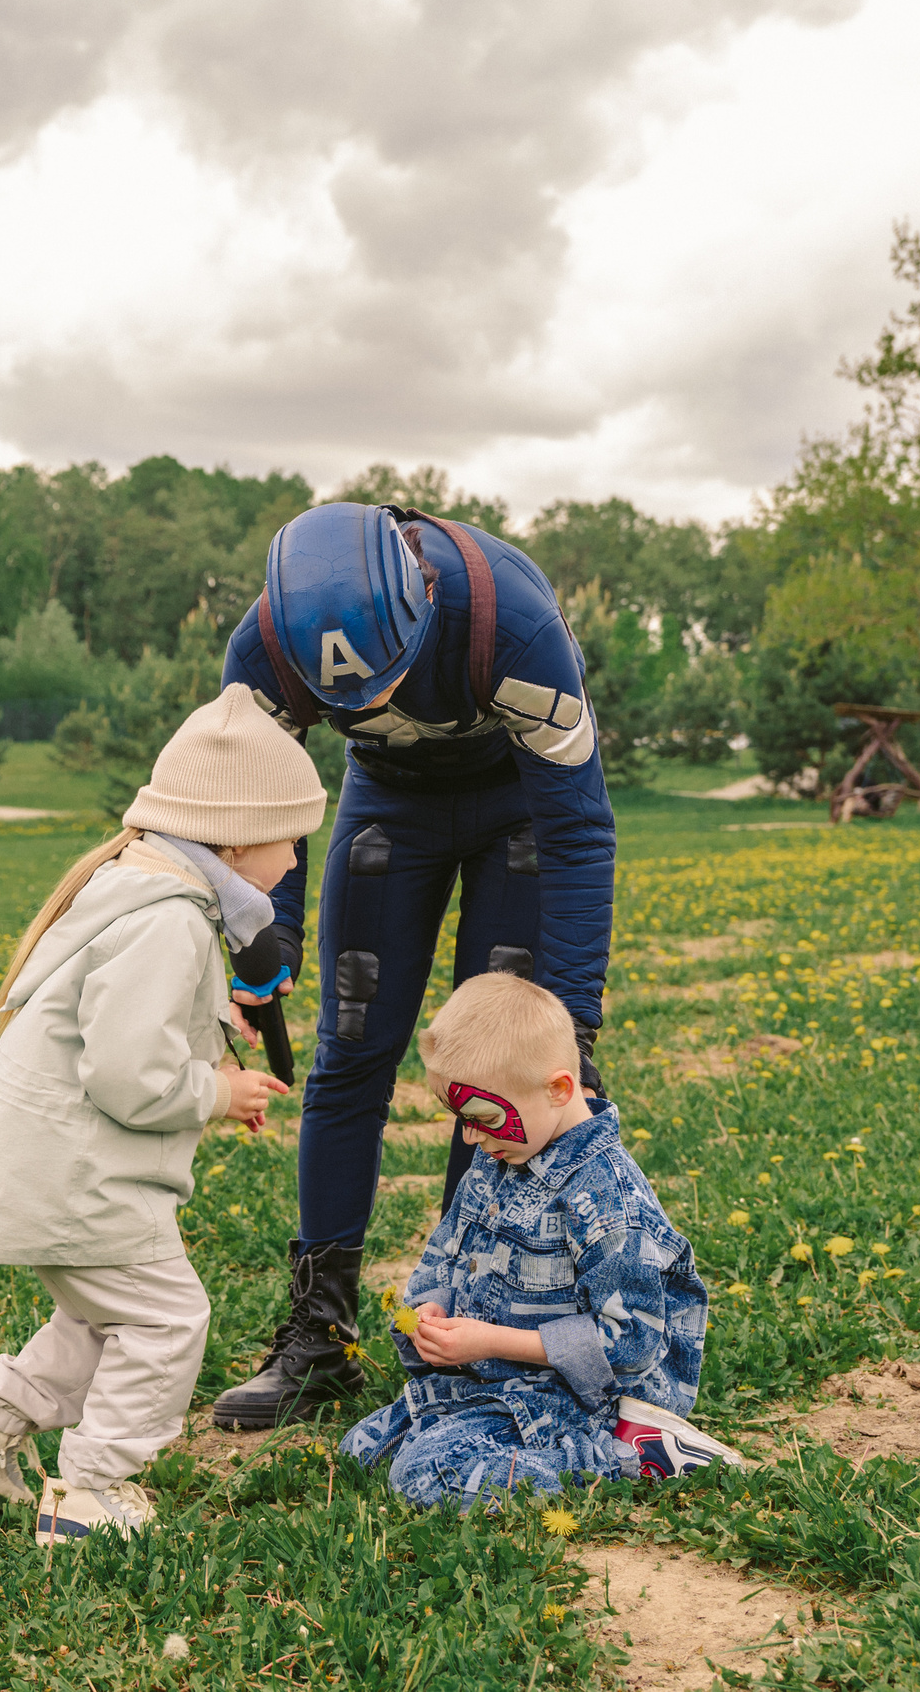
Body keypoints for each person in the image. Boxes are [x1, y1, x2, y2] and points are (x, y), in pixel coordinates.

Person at [209, 501, 617, 1429]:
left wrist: (575, 1019)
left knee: (494, 1067)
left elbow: (581, 831)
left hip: (518, 809)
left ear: (425, 598)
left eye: (389, 684)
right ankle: (321, 1334)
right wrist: (256, 944)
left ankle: (470, 1316)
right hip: (386, 804)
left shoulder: (514, 625)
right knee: (351, 1049)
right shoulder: (263, 651)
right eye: (354, 701)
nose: (377, 707)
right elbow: (257, 806)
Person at [0, 688, 322, 1544]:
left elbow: (129, 1025)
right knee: (169, 1318)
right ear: (240, 834)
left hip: (61, 1170)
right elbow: (128, 1076)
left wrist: (210, 1037)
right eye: (292, 836)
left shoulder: (145, 890)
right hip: (81, 1179)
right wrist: (219, 1093)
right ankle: (96, 1488)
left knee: (103, 1320)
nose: (294, 859)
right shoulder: (169, 919)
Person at [340, 973, 737, 1507]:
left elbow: (633, 1342)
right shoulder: (498, 1157)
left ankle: (633, 1456)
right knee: (359, 1450)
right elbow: (447, 1251)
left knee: (426, 1476)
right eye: (458, 1118)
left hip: (584, 1396)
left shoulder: (605, 1198)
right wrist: (431, 1305)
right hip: (497, 1378)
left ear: (558, 1089)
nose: (470, 1137)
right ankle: (477, 1426)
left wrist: (488, 1341)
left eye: (482, 1118)